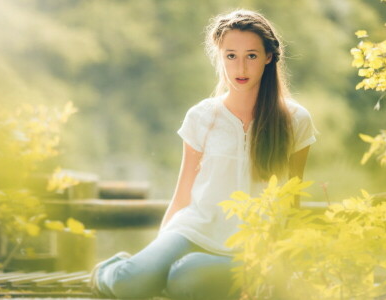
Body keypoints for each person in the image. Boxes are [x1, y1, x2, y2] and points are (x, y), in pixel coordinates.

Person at [91, 9, 317, 300]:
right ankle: (110, 270)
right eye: (230, 56)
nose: (241, 69)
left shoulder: (296, 119)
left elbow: (292, 200)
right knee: (130, 283)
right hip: (193, 228)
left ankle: (174, 273)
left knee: (187, 282)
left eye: (251, 55)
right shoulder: (202, 116)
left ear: (268, 57)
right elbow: (183, 192)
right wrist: (155, 252)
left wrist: (283, 260)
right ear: (219, 57)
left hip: (249, 244)